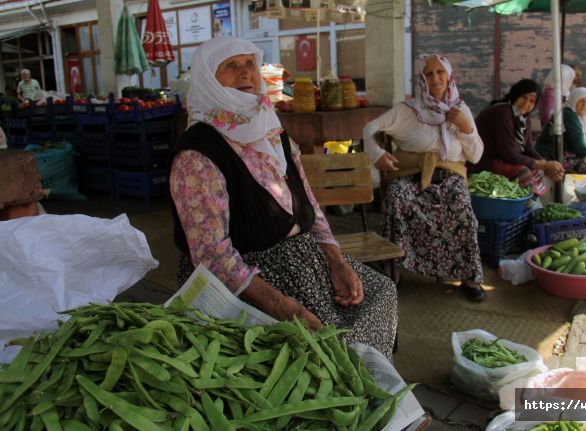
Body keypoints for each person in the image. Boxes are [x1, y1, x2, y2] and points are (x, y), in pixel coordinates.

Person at [168, 37, 398, 359]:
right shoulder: (198, 155)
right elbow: (212, 255)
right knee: (332, 344)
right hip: (250, 280)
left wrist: (336, 260)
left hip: (304, 260)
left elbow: (310, 204)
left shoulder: (270, 128)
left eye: (249, 63)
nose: (245, 73)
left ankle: (371, 389)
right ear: (209, 79)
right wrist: (283, 306)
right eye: (230, 66)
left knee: (381, 294)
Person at [363, 54, 488, 302]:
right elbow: (369, 129)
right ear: (422, 79)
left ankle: (470, 276)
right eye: (429, 74)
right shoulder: (407, 110)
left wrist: (466, 128)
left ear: (449, 75)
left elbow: (475, 156)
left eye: (440, 72)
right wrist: (377, 154)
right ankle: (393, 272)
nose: (435, 78)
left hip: (450, 177)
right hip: (410, 176)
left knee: (461, 207)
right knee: (398, 198)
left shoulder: (460, 110)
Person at [474, 78, 564, 194]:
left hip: (501, 159)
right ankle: (524, 207)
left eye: (532, 101)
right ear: (516, 94)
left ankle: (532, 204)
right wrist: (544, 164)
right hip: (484, 161)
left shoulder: (524, 119)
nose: (526, 104)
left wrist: (547, 165)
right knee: (524, 172)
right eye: (524, 97)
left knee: (539, 170)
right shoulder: (503, 112)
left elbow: (528, 148)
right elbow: (508, 153)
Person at [535, 87, 586, 176]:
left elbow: (577, 140)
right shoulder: (568, 114)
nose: (584, 105)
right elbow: (578, 145)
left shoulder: (574, 114)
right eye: (581, 101)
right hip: (549, 155)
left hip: (561, 151)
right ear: (574, 100)